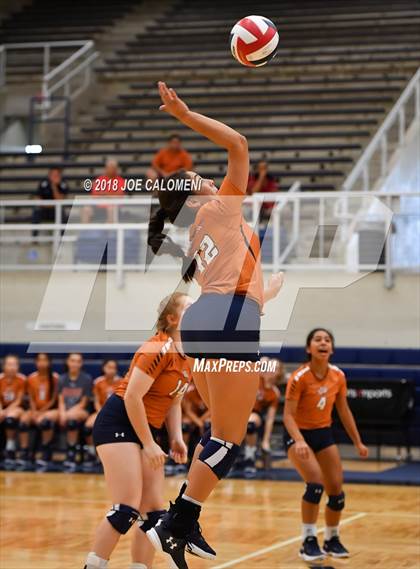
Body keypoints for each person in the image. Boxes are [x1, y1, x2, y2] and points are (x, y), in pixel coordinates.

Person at [145, 81, 284, 569]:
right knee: (230, 439)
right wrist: (183, 113)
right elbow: (239, 144)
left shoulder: (203, 230)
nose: (211, 177)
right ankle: (175, 521)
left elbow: (238, 283)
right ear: (197, 191)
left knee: (217, 435)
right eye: (202, 175)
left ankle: (186, 518)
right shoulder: (218, 208)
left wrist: (270, 290)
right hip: (227, 317)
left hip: (210, 317)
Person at [83, 293, 211, 569]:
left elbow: (174, 399)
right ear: (172, 319)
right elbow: (131, 397)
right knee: (126, 509)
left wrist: (175, 436)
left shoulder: (188, 354)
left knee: (154, 516)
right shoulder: (158, 347)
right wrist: (149, 443)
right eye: (189, 308)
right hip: (118, 423)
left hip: (146, 429)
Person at [283, 328, 369, 563]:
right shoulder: (299, 377)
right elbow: (288, 416)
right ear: (308, 348)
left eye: (327, 340)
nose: (323, 343)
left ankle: (332, 538)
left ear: (331, 349)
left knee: (337, 492)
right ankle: (308, 540)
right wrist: (299, 440)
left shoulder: (338, 376)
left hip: (323, 433)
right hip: (298, 434)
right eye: (317, 339)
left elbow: (343, 410)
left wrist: (358, 442)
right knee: (315, 485)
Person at [42, 353, 92, 471]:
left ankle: (71, 453)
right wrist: (63, 413)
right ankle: (46, 451)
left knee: (72, 421)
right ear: (67, 362)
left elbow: (83, 403)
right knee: (46, 420)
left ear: (81, 364)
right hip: (64, 409)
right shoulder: (62, 378)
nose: (75, 364)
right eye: (72, 361)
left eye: (78, 361)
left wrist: (68, 414)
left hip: (80, 411)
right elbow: (60, 400)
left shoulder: (86, 379)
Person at [17, 353, 59, 469]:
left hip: (50, 410)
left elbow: (53, 399)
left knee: (45, 421)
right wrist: (34, 411)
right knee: (23, 421)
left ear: (49, 362)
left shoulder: (54, 377)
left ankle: (45, 452)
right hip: (34, 410)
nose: (42, 363)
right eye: (39, 360)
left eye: (45, 360)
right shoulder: (31, 378)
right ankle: (24, 452)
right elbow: (30, 398)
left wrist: (42, 412)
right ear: (36, 362)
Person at [242, 358, 280, 477]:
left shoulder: (274, 392)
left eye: (275, 368)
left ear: (279, 372)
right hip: (238, 409)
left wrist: (266, 440)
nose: (271, 370)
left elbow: (270, 418)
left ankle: (249, 457)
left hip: (253, 414)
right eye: (270, 367)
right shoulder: (256, 378)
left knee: (251, 423)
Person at [83, 359, 121, 468]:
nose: (111, 370)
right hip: (101, 411)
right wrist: (102, 413)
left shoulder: (122, 382)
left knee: (114, 428)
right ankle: (91, 453)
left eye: (113, 368)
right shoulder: (98, 382)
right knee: (88, 427)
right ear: (103, 368)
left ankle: (113, 456)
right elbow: (96, 400)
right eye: (109, 367)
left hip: (117, 413)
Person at [0, 355, 26, 465]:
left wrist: (5, 412)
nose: (11, 367)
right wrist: (1, 410)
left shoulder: (22, 379)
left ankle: (10, 448)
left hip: (16, 408)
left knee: (10, 419)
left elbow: (19, 400)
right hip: (2, 407)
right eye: (9, 364)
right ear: (3, 366)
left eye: (14, 365)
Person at [82, 158, 125, 224]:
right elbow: (95, 196)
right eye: (109, 167)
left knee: (110, 209)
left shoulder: (121, 181)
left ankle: (109, 232)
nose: (111, 169)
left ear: (116, 169)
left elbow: (118, 196)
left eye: (113, 168)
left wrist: (104, 194)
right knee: (86, 209)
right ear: (106, 168)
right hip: (99, 207)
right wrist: (109, 195)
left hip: (113, 207)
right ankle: (85, 232)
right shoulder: (99, 180)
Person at [32, 167, 69, 236]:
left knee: (63, 215)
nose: (55, 177)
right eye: (53, 175)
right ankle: (34, 239)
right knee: (36, 212)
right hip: (44, 209)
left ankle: (62, 239)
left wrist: (54, 186)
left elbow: (60, 200)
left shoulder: (63, 184)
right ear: (49, 175)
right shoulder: (43, 183)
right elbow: (37, 199)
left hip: (56, 210)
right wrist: (49, 204)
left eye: (57, 175)